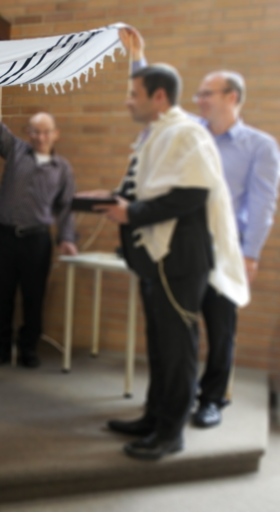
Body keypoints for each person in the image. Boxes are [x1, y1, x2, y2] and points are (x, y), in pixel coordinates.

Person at [83, 63, 249, 459]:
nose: (128, 101)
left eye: (133, 94)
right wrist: (106, 198)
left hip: (180, 259)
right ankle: (154, 416)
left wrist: (133, 214)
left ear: (158, 97)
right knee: (159, 345)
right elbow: (144, 187)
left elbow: (193, 194)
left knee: (178, 348)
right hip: (158, 260)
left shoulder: (186, 133)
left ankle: (171, 432)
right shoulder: (157, 134)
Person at [121, 28, 280, 429]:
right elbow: (155, 102)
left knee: (220, 328)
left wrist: (250, 253)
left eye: (208, 93)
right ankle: (173, 401)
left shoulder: (260, 147)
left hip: (226, 250)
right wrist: (138, 58)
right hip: (183, 250)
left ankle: (211, 400)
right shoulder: (190, 131)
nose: (199, 99)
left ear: (233, 98)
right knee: (178, 330)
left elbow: (262, 205)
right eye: (198, 94)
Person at [0, 87, 78, 368]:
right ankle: (0, 348)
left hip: (38, 241)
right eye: (35, 131)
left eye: (46, 131)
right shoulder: (16, 150)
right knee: (3, 296)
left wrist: (67, 238)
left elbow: (65, 208)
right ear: (29, 133)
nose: (40, 136)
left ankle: (28, 350)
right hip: (5, 238)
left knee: (34, 298)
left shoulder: (62, 169)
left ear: (55, 134)